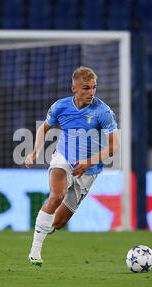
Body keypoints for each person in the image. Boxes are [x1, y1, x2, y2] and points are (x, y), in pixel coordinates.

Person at [24, 66, 120, 266]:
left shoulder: (103, 111)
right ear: (74, 88)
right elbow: (44, 128)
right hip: (64, 159)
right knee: (56, 196)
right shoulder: (60, 107)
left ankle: (45, 225)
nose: (91, 92)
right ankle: (34, 252)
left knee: (58, 223)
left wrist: (89, 162)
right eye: (86, 88)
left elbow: (115, 146)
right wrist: (35, 152)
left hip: (89, 170)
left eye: (94, 87)